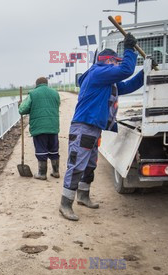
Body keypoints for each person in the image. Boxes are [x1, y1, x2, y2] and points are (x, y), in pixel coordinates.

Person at [60, 33, 147, 221]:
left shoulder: (106, 82)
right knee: (76, 166)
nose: (117, 66)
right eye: (115, 62)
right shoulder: (98, 72)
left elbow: (128, 84)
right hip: (83, 127)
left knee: (90, 164)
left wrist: (144, 73)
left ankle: (83, 196)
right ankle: (65, 204)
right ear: (108, 61)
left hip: (93, 128)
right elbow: (125, 70)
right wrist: (129, 50)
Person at [18, 77, 61, 180]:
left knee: (41, 150)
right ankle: (56, 172)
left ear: (36, 84)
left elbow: (23, 110)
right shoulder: (55, 93)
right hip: (53, 126)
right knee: (54, 149)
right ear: (46, 83)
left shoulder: (33, 94)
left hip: (39, 127)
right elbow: (57, 105)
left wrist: (20, 105)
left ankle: (42, 174)